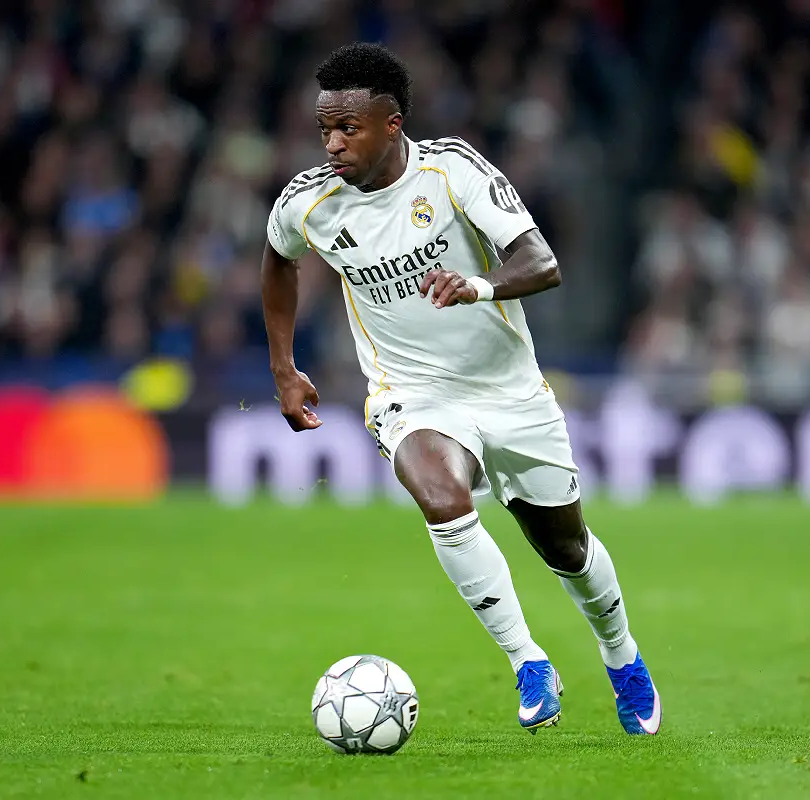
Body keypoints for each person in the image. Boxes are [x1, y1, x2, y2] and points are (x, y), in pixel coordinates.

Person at [261, 42, 660, 736]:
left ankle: (621, 656)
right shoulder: (309, 204)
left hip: (509, 391)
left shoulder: (452, 172)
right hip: (411, 392)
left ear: (392, 123)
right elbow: (278, 261)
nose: (332, 144)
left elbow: (541, 261)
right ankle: (528, 661)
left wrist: (477, 286)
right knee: (440, 497)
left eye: (347, 128)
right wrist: (283, 367)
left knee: (565, 549)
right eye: (324, 128)